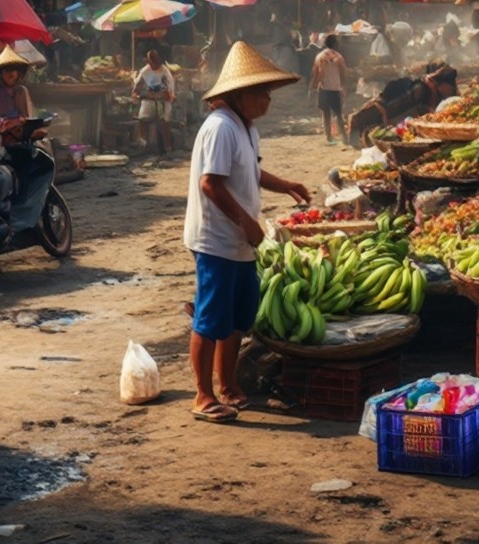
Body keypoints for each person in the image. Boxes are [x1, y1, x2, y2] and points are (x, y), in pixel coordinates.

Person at [185, 41, 311, 423]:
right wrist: (246, 222)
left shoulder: (246, 128)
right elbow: (211, 184)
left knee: (239, 317)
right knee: (210, 318)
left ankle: (229, 385)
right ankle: (203, 396)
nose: (267, 100)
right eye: (262, 92)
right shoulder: (220, 127)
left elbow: (251, 172)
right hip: (217, 239)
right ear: (239, 94)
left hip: (241, 242)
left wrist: (286, 184)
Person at [133, 48, 175, 154]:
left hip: (163, 101)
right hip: (148, 100)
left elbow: (170, 88)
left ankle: (167, 148)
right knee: (142, 121)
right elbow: (137, 86)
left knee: (165, 125)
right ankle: (143, 145)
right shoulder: (144, 71)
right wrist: (136, 93)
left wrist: (169, 96)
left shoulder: (165, 71)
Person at [311, 35, 350, 144]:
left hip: (324, 89)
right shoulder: (339, 57)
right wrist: (343, 87)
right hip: (335, 89)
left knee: (326, 114)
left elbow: (316, 73)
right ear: (335, 44)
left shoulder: (320, 56)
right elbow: (343, 75)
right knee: (338, 114)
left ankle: (329, 137)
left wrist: (313, 87)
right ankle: (345, 138)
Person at [0, 47, 34, 120]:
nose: (10, 72)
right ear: (0, 74)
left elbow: (29, 116)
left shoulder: (22, 91)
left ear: (18, 73)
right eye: (6, 70)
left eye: (13, 69)